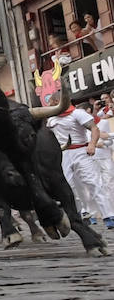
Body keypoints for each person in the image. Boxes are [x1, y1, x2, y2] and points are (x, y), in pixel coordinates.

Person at [46, 94, 114, 229]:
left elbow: (94, 129)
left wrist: (92, 144)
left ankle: (108, 216)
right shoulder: (51, 119)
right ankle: (80, 214)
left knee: (94, 183)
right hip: (63, 154)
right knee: (68, 186)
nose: (50, 105)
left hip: (81, 151)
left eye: (52, 102)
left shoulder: (78, 113)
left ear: (58, 101)